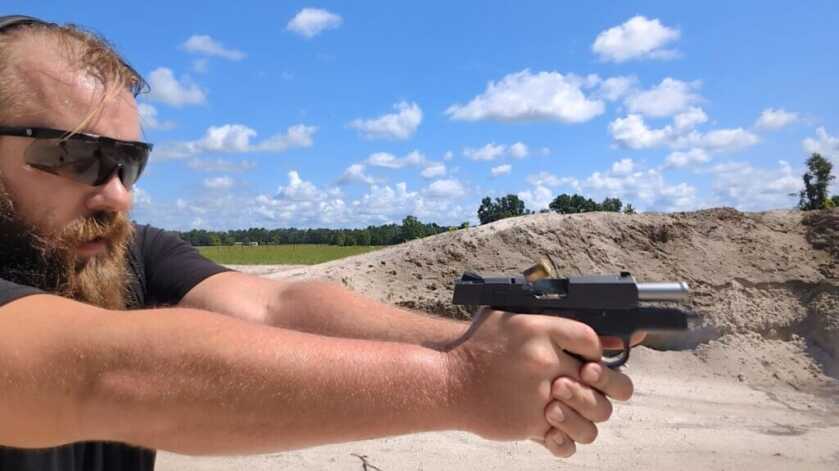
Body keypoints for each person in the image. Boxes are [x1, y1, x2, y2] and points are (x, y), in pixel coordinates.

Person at [0, 15, 638, 471]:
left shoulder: (121, 252)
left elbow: (279, 310)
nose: (117, 194)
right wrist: (459, 381)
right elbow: (104, 376)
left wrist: (488, 347)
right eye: (77, 156)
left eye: (128, 163)